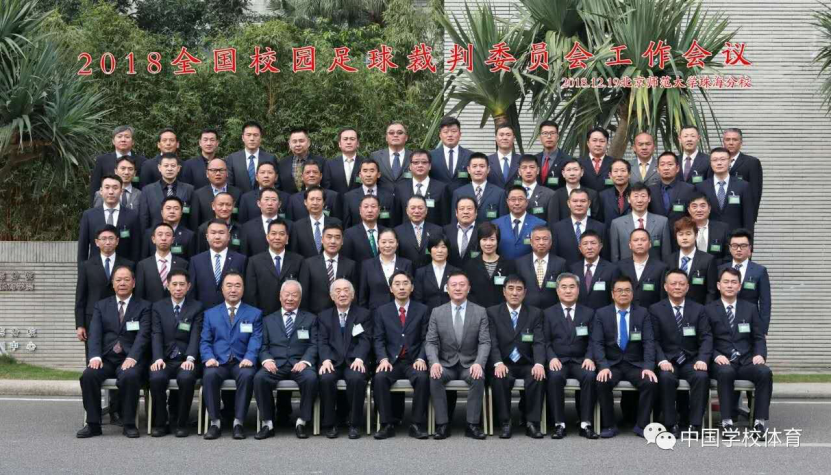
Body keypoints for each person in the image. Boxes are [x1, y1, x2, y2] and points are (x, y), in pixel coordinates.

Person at [76, 266, 151, 438]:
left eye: (126, 279)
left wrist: (133, 357)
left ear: (134, 283)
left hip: (130, 357)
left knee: (130, 376)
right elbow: (95, 333)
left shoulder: (144, 306)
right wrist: (95, 356)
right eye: (118, 280)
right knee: (89, 375)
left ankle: (129, 423)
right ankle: (93, 424)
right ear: (113, 283)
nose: (122, 283)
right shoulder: (101, 306)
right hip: (107, 358)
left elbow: (144, 335)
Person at [707, 267, 772, 438]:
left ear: (739, 286)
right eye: (726, 282)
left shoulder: (750, 308)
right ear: (719, 285)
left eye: (733, 282)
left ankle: (759, 422)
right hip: (721, 361)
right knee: (726, 372)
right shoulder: (708, 310)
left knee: (764, 373)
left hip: (745, 361)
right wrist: (715, 355)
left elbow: (758, 337)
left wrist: (760, 354)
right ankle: (727, 422)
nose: (730, 285)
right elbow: (704, 340)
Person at [426, 270, 491, 440]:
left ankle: (472, 424)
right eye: (453, 285)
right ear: (447, 289)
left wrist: (479, 363)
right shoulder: (437, 312)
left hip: (470, 364)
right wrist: (434, 362)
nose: (458, 288)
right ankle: (442, 424)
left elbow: (484, 342)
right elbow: (431, 342)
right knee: (434, 376)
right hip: (445, 364)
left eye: (462, 285)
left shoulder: (480, 312)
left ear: (468, 288)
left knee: (478, 376)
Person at [592, 275, 657, 438]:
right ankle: (609, 425)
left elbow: (649, 342)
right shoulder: (601, 314)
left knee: (649, 382)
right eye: (619, 290)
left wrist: (648, 367)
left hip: (635, 364)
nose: (623, 293)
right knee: (602, 381)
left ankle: (642, 425)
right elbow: (597, 343)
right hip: (612, 364)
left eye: (627, 290)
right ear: (612, 294)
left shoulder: (642, 313)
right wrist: (603, 366)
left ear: (632, 294)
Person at [650, 269, 712, 437]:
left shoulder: (699, 309)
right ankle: (671, 423)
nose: (677, 287)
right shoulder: (655, 309)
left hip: (691, 360)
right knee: (666, 378)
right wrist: (661, 360)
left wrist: (702, 359)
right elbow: (653, 340)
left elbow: (706, 337)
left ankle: (695, 424)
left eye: (681, 284)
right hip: (668, 360)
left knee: (701, 377)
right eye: (673, 283)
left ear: (687, 287)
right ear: (665, 287)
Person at [253, 280, 319, 440]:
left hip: (299, 363)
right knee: (260, 378)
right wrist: (267, 360)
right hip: (276, 364)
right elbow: (263, 345)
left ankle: (302, 422)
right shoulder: (268, 320)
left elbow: (314, 344)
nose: (290, 298)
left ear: (300, 298)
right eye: (287, 294)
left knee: (311, 378)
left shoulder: (311, 319)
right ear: (280, 296)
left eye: (294, 295)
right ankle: (268, 423)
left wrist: (305, 361)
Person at [201, 271, 262, 440]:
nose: (233, 290)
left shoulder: (254, 313)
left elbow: (256, 339)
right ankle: (215, 423)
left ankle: (238, 423)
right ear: (222, 289)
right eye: (229, 285)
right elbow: (205, 341)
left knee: (247, 375)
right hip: (218, 362)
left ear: (243, 289)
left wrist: (250, 357)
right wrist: (209, 357)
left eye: (237, 286)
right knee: (209, 375)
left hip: (242, 361)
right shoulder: (210, 314)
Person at [373, 271, 431, 440]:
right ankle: (386, 424)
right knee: (380, 378)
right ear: (391, 289)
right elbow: (378, 339)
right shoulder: (382, 311)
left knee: (422, 378)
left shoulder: (423, 310)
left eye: (405, 283)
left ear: (412, 287)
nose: (401, 287)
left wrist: (421, 358)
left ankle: (416, 424)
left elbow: (427, 338)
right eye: (397, 284)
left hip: (413, 360)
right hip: (391, 360)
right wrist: (383, 359)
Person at [487, 275, 545, 439]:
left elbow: (539, 341)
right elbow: (492, 341)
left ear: (525, 293)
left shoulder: (535, 313)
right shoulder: (492, 312)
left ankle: (532, 422)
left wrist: (539, 363)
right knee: (500, 377)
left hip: (526, 362)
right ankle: (505, 422)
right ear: (504, 291)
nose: (515, 293)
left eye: (519, 289)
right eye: (511, 289)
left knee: (537, 376)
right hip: (504, 362)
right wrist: (497, 362)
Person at [147, 269, 204, 437]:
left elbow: (196, 335)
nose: (178, 288)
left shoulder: (197, 307)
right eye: (174, 284)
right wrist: (157, 358)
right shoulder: (158, 307)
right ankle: (161, 422)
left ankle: (181, 423)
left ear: (188, 286)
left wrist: (190, 358)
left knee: (186, 378)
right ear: (167, 285)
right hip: (165, 359)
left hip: (186, 359)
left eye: (182, 284)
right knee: (156, 378)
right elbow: (156, 334)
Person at [543, 273, 599, 439]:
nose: (568, 291)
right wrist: (551, 357)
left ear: (578, 290)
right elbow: (545, 341)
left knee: (590, 376)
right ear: (557, 291)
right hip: (558, 360)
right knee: (555, 377)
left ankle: (585, 424)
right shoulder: (548, 313)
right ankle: (559, 424)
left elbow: (594, 340)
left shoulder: (589, 313)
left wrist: (589, 357)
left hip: (580, 360)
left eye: (572, 287)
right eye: (564, 287)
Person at [317, 279, 373, 439]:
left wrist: (360, 358)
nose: (342, 294)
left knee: (356, 378)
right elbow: (322, 341)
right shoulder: (323, 316)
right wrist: (326, 360)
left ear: (353, 295)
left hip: (354, 361)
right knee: (326, 379)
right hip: (332, 361)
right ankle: (330, 423)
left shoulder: (363, 314)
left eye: (346, 290)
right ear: (332, 296)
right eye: (338, 291)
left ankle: (354, 424)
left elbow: (365, 339)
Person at [75, 225, 134, 357]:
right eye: (104, 239)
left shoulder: (128, 265)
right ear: (97, 242)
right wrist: (80, 325)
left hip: (121, 316)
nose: (107, 242)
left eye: (111, 238)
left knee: (121, 356)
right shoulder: (86, 266)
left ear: (117, 241)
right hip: (92, 318)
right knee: (93, 356)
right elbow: (80, 296)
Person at [243, 219, 305, 316]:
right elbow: (251, 294)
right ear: (267, 237)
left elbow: (303, 292)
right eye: (273, 233)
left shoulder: (298, 261)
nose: (277, 237)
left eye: (281, 234)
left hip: (291, 316)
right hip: (263, 316)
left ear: (287, 238)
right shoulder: (254, 262)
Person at [78, 174, 141, 264]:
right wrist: (82, 271)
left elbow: (136, 248)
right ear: (101, 191)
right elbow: (82, 248)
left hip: (123, 269)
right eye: (107, 187)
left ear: (121, 191)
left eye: (115, 188)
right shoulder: (89, 215)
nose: (111, 192)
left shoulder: (133, 216)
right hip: (95, 268)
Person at [719, 229, 772, 335]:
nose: (739, 249)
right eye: (735, 246)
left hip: (751, 322)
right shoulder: (720, 269)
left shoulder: (759, 271)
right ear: (730, 248)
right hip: (724, 322)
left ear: (750, 248)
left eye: (743, 246)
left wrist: (762, 330)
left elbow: (765, 302)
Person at [187, 220, 247, 308]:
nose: (217, 237)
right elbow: (191, 293)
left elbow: (245, 290)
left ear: (228, 236)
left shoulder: (241, 259)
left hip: (232, 312)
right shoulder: (196, 261)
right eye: (213, 233)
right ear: (207, 237)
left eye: (221, 233)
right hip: (203, 312)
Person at [299, 223, 357, 314]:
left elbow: (353, 295)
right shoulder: (308, 264)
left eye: (337, 238)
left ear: (342, 241)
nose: (333, 241)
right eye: (329, 237)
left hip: (343, 314)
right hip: (316, 315)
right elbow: (304, 294)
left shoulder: (350, 265)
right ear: (322, 240)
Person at [695, 147, 755, 233]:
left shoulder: (743, 186)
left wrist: (748, 239)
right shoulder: (701, 187)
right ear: (710, 163)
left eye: (723, 159)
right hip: (710, 235)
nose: (719, 163)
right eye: (715, 160)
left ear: (730, 161)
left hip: (735, 236)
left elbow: (748, 217)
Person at [609, 182, 671, 262]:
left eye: (643, 196)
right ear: (628, 199)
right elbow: (615, 255)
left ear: (649, 199)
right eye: (635, 196)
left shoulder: (662, 222)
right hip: (626, 268)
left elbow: (666, 254)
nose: (639, 200)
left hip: (655, 268)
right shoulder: (617, 224)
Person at [463, 222, 516, 309]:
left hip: (502, 312)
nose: (488, 243)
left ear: (497, 241)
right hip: (477, 312)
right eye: (484, 239)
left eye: (492, 239)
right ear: (479, 241)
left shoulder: (509, 265)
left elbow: (511, 291)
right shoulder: (470, 265)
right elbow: (468, 292)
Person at [666, 217, 718, 305]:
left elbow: (711, 292)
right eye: (680, 234)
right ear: (676, 237)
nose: (684, 238)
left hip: (699, 308)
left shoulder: (708, 260)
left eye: (688, 234)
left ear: (696, 235)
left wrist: (706, 310)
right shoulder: (669, 259)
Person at [358, 229, 413, 311]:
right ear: (378, 243)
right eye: (383, 242)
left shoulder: (406, 264)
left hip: (401, 312)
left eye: (391, 242)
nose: (387, 245)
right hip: (375, 312)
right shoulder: (367, 265)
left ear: (397, 243)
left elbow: (411, 291)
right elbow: (363, 295)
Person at [394, 149, 451, 226]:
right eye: (416, 162)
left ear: (429, 166)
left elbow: (445, 218)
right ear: (410, 166)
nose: (420, 165)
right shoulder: (400, 188)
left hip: (433, 232)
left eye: (424, 162)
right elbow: (396, 217)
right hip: (406, 232)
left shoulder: (441, 188)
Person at [515, 226, 567, 310]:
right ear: (531, 242)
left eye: (545, 239)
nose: (541, 242)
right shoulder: (520, 263)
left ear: (550, 242)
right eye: (537, 239)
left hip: (552, 310)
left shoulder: (560, 263)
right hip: (527, 310)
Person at [138, 153, 194, 231]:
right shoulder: (147, 190)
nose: (169, 169)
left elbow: (192, 218)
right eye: (166, 166)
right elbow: (144, 218)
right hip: (156, 235)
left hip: (182, 236)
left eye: (173, 166)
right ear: (159, 168)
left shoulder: (189, 189)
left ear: (178, 168)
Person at [551, 188, 607, 265]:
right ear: (568, 203)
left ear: (589, 203)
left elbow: (605, 257)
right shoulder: (557, 228)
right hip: (566, 271)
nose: (579, 204)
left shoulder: (600, 228)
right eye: (575, 201)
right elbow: (554, 257)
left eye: (583, 201)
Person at [90, 125, 146, 201]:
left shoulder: (143, 162)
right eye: (119, 137)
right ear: (113, 141)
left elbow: (145, 187)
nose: (123, 140)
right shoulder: (102, 160)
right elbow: (95, 186)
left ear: (133, 142)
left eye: (127, 137)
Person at [135, 223, 188, 303]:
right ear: (153, 239)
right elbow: (139, 295)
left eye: (168, 235)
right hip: (150, 309)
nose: (164, 238)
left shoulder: (183, 264)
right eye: (160, 235)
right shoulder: (143, 265)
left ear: (173, 240)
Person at [615, 229, 667, 309]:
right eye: (635, 240)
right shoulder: (619, 266)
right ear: (630, 245)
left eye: (643, 240)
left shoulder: (661, 268)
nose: (639, 243)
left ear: (650, 244)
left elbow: (663, 297)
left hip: (652, 313)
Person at [450, 153, 508, 225]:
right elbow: (454, 222)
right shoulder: (458, 193)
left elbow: (503, 222)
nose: (478, 170)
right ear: (468, 169)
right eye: (474, 166)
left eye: (482, 166)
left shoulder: (500, 193)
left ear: (488, 169)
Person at [492, 184, 546, 260]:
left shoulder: (539, 224)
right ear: (507, 202)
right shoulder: (496, 224)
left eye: (520, 199)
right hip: (503, 266)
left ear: (527, 202)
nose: (517, 203)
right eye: (513, 199)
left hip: (528, 266)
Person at [288, 186, 343, 258]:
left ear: (324, 202)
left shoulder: (336, 223)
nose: (315, 203)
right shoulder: (297, 226)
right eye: (312, 199)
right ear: (305, 202)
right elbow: (295, 253)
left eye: (318, 199)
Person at [570, 230, 619, 310]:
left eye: (593, 243)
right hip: (579, 315)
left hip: (602, 315)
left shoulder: (612, 269)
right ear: (580, 248)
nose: (589, 247)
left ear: (600, 246)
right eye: (585, 244)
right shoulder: (573, 269)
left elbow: (615, 298)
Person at [189, 158, 242, 230]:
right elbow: (195, 222)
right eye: (213, 170)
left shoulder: (237, 193)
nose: (218, 173)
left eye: (221, 170)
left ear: (227, 173)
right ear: (207, 174)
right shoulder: (198, 195)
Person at [722, 128, 762, 222]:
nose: (731, 143)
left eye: (735, 140)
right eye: (727, 139)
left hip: (741, 216)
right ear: (723, 142)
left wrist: (750, 218)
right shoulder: (715, 162)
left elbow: (755, 193)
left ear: (741, 142)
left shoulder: (752, 163)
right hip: (718, 216)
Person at [226, 121, 278, 194]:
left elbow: (276, 184)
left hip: (264, 199)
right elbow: (229, 185)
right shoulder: (232, 159)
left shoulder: (270, 158)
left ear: (260, 138)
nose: (252, 138)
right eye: (248, 135)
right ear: (243, 137)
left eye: (255, 135)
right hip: (239, 200)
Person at [342, 159, 395, 229]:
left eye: (372, 171)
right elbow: (347, 226)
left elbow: (393, 223)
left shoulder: (389, 196)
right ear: (360, 175)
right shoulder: (349, 197)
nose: (368, 175)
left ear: (378, 174)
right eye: (365, 171)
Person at [648, 151, 695, 230]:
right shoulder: (650, 190)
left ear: (677, 168)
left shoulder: (689, 189)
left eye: (670, 164)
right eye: (662, 165)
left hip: (681, 232)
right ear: (658, 169)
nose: (666, 168)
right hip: (657, 232)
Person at [394, 195, 443, 269]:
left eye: (420, 208)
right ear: (407, 210)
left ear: (426, 210)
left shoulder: (437, 230)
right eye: (413, 208)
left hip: (430, 272)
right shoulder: (398, 231)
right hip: (406, 272)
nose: (416, 211)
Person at [239, 187, 292, 257]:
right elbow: (244, 254)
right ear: (259, 203)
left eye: (274, 200)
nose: (270, 203)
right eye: (266, 199)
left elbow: (293, 252)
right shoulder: (247, 227)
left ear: (279, 204)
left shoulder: (290, 225)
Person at [413, 235, 459, 315]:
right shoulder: (421, 273)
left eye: (443, 247)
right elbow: (418, 299)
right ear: (429, 250)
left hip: (452, 315)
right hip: (428, 316)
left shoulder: (456, 272)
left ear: (448, 250)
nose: (439, 251)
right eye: (436, 247)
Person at [549, 159, 603, 224]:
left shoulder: (592, 194)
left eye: (575, 169)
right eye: (568, 170)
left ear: (582, 172)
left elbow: (597, 221)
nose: (572, 173)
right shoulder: (556, 195)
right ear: (563, 173)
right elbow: (553, 221)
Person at [429, 116, 473, 192]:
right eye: (445, 132)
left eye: (453, 131)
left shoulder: (470, 156)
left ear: (460, 134)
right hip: (439, 197)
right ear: (440, 135)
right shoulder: (430, 156)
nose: (450, 135)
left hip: (463, 198)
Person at [342, 195, 387, 267]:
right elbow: (347, 261)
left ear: (379, 210)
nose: (370, 210)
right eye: (366, 207)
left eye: (373, 206)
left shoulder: (387, 232)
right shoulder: (349, 234)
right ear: (360, 210)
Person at [278, 127, 326, 195]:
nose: (298, 144)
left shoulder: (322, 162)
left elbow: (326, 186)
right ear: (289, 144)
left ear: (308, 142)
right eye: (294, 141)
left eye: (301, 141)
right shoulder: (282, 164)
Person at [685, 192, 730, 261]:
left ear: (709, 209)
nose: (699, 210)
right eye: (694, 206)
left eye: (703, 206)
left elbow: (728, 256)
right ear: (689, 210)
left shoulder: (723, 229)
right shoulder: (683, 229)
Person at [322, 127, 364, 196]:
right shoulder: (330, 164)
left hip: (360, 201)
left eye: (352, 139)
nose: (348, 142)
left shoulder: (365, 163)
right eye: (345, 139)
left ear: (358, 143)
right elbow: (326, 188)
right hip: (337, 202)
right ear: (339, 144)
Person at [370, 121, 413, 190]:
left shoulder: (414, 157)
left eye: (400, 133)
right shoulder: (375, 156)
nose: (395, 135)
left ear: (406, 137)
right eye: (391, 133)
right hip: (382, 196)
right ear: (386, 138)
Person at [444, 197, 479, 269]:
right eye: (461, 209)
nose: (465, 212)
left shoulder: (482, 230)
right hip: (452, 273)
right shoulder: (446, 230)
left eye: (469, 208)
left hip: (476, 273)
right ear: (456, 212)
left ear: (476, 212)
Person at [517, 154, 556, 220]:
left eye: (532, 167)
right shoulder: (511, 193)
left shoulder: (549, 194)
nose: (528, 171)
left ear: (538, 170)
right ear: (519, 171)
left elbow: (552, 220)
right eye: (524, 167)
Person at [536, 120, 572, 191]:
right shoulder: (535, 159)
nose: (549, 136)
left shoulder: (568, 160)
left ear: (558, 136)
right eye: (545, 133)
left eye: (552, 133)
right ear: (540, 137)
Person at [579, 127, 615, 192]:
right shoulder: (578, 163)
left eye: (602, 141)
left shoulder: (614, 163)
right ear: (588, 143)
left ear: (607, 143)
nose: (598, 144)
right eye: (594, 140)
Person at [598, 158, 631, 228]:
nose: (619, 174)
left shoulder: (637, 194)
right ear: (610, 175)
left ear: (629, 174)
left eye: (623, 171)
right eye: (615, 171)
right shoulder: (603, 196)